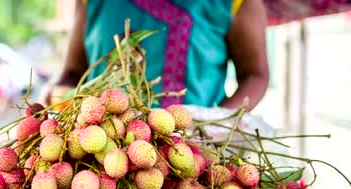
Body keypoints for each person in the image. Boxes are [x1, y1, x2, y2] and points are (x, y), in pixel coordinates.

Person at [41, 0, 269, 111]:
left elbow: (255, 75)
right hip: (101, 152)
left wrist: (219, 122)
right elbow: (73, 71)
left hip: (195, 153)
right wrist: (57, 91)